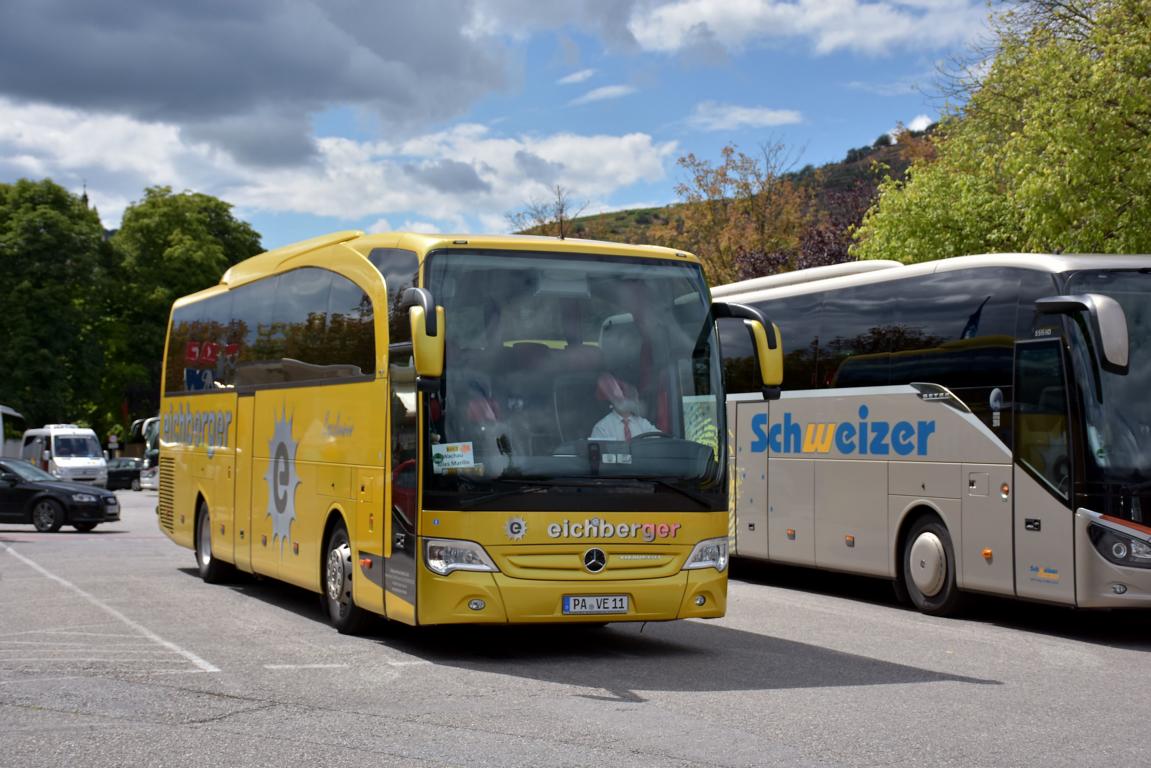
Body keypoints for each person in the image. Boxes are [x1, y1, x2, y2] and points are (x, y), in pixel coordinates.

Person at [590, 373, 658, 441]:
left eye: (627, 393)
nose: (622, 396)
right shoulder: (602, 427)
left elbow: (660, 441)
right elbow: (598, 450)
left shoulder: (643, 424)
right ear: (611, 399)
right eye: (619, 391)